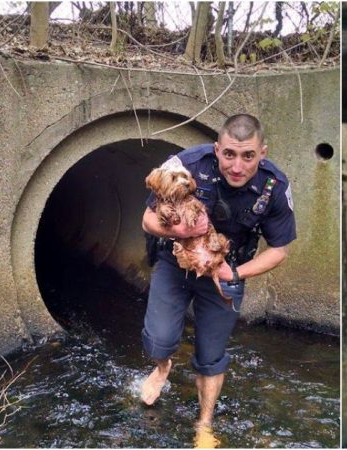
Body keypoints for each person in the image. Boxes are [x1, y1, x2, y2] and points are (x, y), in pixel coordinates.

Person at [140, 114, 296, 446]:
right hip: (176, 260)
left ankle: (204, 424)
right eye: (229, 154)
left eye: (248, 156)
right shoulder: (186, 164)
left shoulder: (274, 186)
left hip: (227, 268)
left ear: (262, 153)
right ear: (217, 149)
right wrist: (177, 230)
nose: (237, 166)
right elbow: (147, 219)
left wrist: (234, 272)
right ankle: (163, 366)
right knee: (158, 340)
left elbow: (279, 251)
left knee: (210, 356)